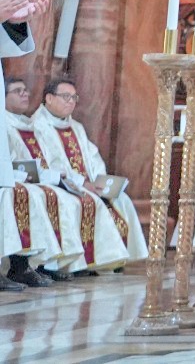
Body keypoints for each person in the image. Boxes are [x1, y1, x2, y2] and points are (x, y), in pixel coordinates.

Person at [29, 77, 148, 270]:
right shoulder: (38, 127)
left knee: (121, 199)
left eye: (74, 97)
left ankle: (115, 259)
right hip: (62, 185)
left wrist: (100, 182)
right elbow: (51, 164)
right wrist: (81, 183)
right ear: (49, 98)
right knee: (86, 202)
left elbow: (93, 157)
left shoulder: (76, 126)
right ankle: (81, 263)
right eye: (65, 96)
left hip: (87, 185)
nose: (70, 101)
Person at [3, 78, 73, 286]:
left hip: (20, 179)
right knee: (29, 194)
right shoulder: (4, 122)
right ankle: (19, 267)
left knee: (48, 193)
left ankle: (36, 265)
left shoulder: (28, 124)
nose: (25, 94)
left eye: (26, 90)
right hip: (13, 182)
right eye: (18, 91)